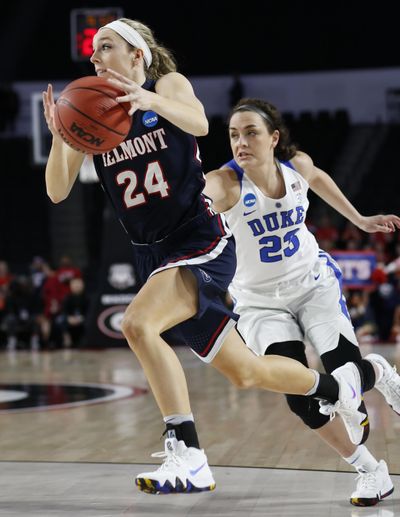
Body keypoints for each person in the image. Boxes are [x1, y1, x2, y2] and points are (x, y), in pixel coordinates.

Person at [43, 18, 370, 496]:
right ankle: (335, 390)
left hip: (199, 238)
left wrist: (148, 100)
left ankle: (189, 453)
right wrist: (60, 135)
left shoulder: (167, 85)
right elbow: (56, 191)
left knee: (136, 324)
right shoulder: (90, 110)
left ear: (137, 54)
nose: (94, 58)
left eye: (105, 47)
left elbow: (198, 123)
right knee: (247, 372)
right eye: (92, 52)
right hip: (152, 254)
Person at [204, 98, 400, 507]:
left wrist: (360, 219)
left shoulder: (297, 167)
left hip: (313, 285)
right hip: (259, 303)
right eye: (234, 134)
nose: (241, 142)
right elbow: (193, 193)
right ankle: (370, 471)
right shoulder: (225, 183)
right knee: (301, 400)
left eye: (251, 133)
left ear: (274, 138)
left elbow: (321, 178)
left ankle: (373, 370)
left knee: (344, 375)